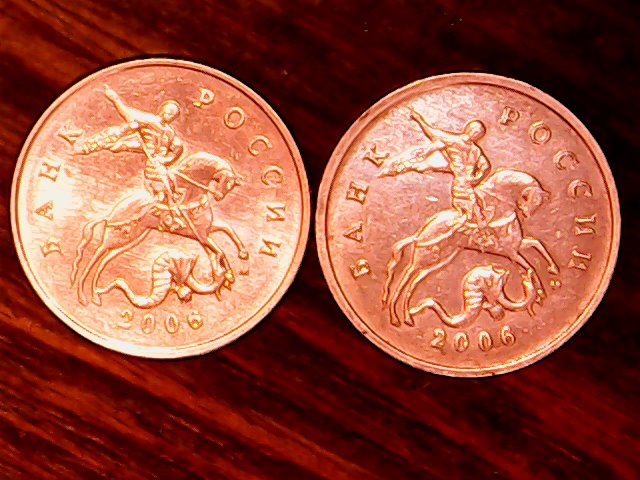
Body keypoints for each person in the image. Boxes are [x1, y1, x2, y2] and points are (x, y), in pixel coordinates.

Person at [381, 108, 493, 228]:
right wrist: (419, 119)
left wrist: (476, 179)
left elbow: (486, 166)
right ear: (470, 130)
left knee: (473, 206)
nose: (476, 134)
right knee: (470, 208)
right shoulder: (459, 143)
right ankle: (472, 223)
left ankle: (474, 222)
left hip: (465, 182)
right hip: (462, 182)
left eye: (479, 133)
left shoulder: (470, 148)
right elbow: (431, 132)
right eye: (476, 131)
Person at [78, 84, 184, 205]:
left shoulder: (170, 132)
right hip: (147, 157)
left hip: (157, 161)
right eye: (170, 112)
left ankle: (168, 199)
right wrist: (115, 99)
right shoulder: (149, 120)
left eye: (174, 115)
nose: (171, 116)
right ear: (162, 111)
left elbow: (177, 148)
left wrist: (166, 160)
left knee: (169, 181)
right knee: (115, 146)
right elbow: (127, 113)